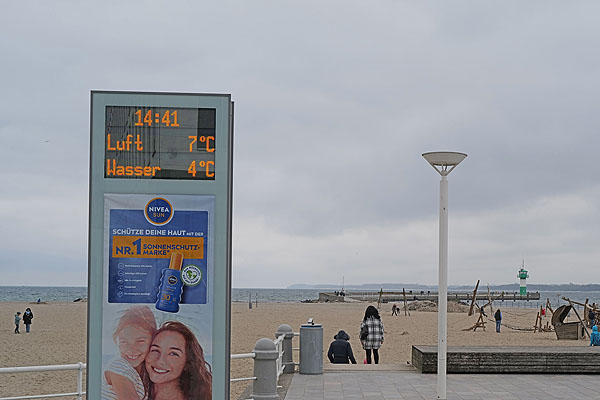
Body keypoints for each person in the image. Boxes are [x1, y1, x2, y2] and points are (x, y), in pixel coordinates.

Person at [145, 321, 212, 400]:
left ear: (187, 363)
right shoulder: (135, 390)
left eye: (173, 354)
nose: (160, 360)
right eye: (155, 350)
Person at [101, 306, 157, 400]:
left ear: (153, 340)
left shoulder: (147, 372)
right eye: (124, 341)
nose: (131, 349)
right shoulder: (119, 367)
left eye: (140, 341)